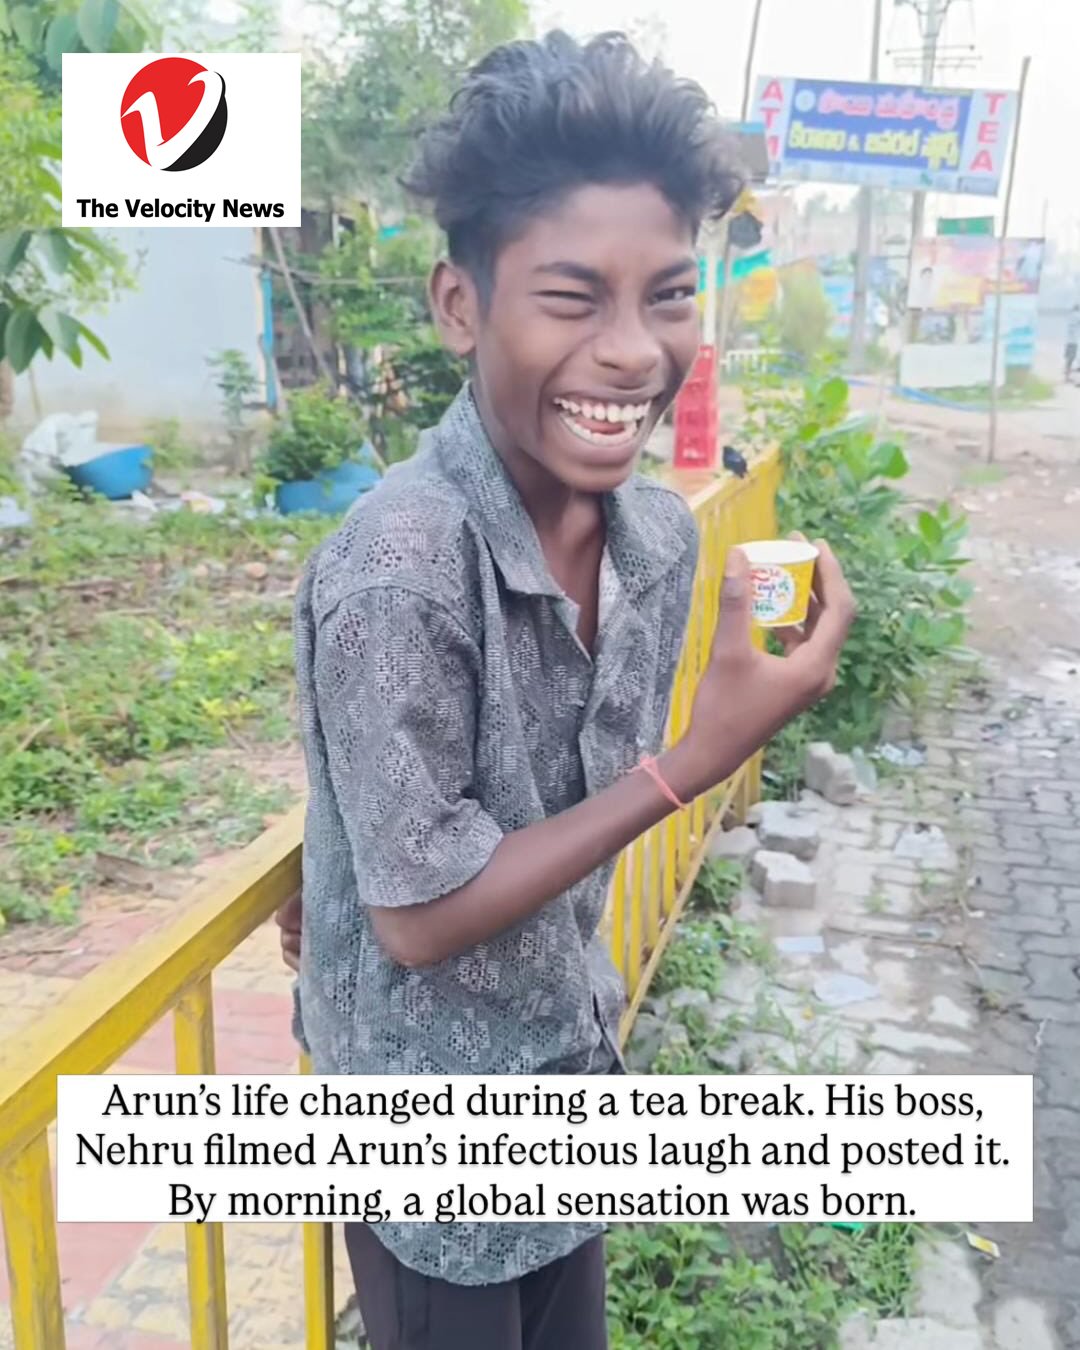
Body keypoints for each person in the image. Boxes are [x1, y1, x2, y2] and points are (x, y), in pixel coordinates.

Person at [276, 30, 856, 1350]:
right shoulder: (402, 570)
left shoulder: (655, 538)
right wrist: (697, 757)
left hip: (568, 1055)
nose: (633, 352)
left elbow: (544, 798)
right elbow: (420, 920)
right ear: (460, 306)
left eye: (666, 296)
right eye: (571, 297)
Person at [1065, 303, 1080, 380]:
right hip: (1074, 341)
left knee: (1069, 359)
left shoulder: (1070, 316)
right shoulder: (1077, 316)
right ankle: (1067, 376)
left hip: (1068, 341)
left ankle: (1067, 376)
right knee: (1071, 358)